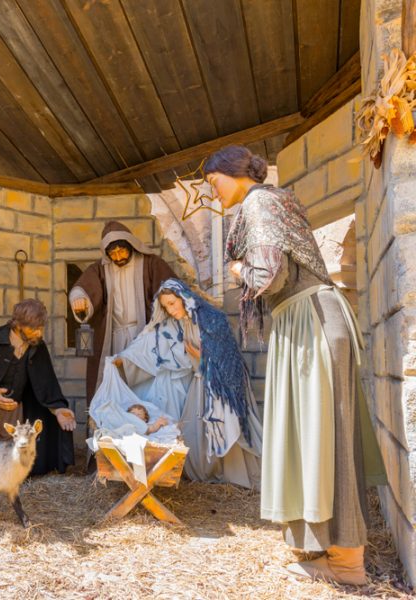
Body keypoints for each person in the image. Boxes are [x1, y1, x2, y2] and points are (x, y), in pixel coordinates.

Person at [204, 144, 386, 585]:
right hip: (310, 318)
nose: (213, 193)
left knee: (325, 436)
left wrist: (236, 270)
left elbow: (268, 275)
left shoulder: (259, 203)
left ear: (232, 171)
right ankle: (334, 548)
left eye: (213, 182)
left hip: (310, 321)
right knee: (319, 436)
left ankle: (347, 562)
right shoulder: (275, 200)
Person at [110, 278, 262, 488]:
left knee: (226, 428)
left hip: (222, 383)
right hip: (201, 381)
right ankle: (205, 474)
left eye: (173, 303)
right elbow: (153, 341)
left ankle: (234, 474)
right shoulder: (179, 324)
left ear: (183, 298)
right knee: (193, 433)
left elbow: (228, 357)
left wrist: (202, 356)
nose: (171, 310)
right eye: (166, 307)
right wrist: (123, 360)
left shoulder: (212, 319)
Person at [0, 299, 75, 475]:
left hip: (15, 415)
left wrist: (58, 410)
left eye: (41, 328)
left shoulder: (37, 346)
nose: (39, 333)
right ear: (18, 325)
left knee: (10, 465)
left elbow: (46, 385)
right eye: (33, 328)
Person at [68, 221, 175, 406]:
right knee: (115, 383)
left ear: (130, 245)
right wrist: (80, 299)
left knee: (146, 385)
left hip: (144, 335)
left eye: (121, 251)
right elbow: (83, 289)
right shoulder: (101, 269)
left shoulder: (150, 263)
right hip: (114, 338)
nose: (118, 257)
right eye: (113, 253)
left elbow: (171, 288)